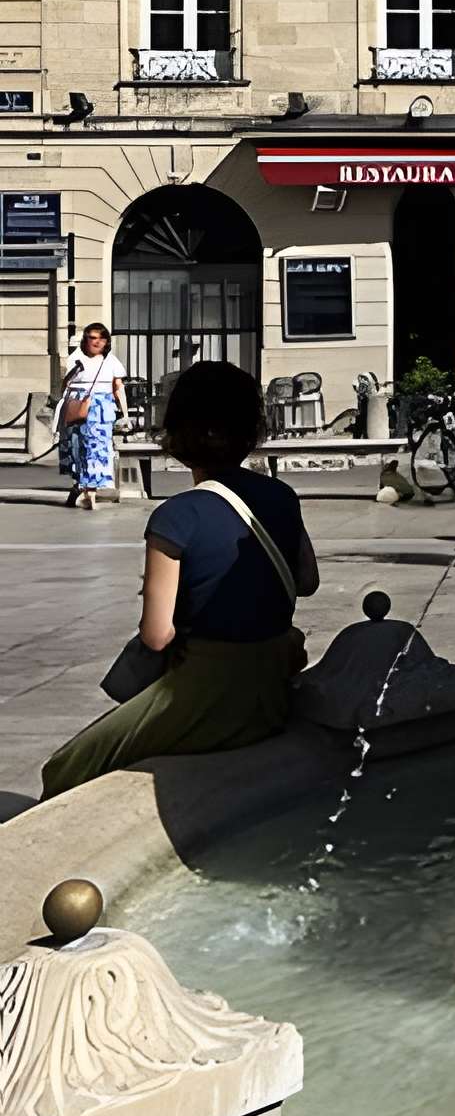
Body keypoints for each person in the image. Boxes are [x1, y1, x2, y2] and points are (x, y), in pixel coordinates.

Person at [40, 362, 317, 797]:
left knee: (65, 769)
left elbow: (156, 635)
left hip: (207, 692)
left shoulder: (175, 517)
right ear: (251, 429)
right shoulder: (282, 496)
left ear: (177, 433)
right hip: (270, 683)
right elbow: (306, 581)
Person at [59, 322, 129, 511]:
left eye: (101, 338)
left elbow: (118, 388)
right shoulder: (76, 359)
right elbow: (65, 385)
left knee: (97, 449)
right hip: (79, 406)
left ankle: (89, 491)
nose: (97, 342)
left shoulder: (111, 361)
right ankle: (80, 487)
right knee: (77, 448)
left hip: (101, 409)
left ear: (106, 341)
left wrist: (125, 414)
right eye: (92, 337)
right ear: (86, 340)